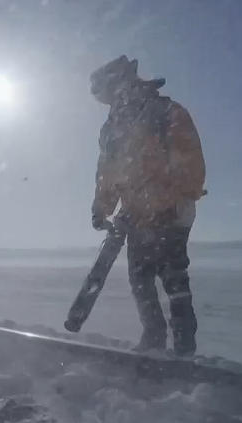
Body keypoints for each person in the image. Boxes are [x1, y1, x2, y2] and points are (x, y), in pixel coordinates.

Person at [89, 56, 205, 356]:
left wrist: (174, 198)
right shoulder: (111, 128)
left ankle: (184, 348)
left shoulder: (164, 111)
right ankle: (153, 340)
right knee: (140, 277)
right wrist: (101, 207)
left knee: (173, 276)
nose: (109, 100)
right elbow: (108, 172)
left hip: (170, 209)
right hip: (138, 213)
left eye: (107, 92)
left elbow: (190, 158)